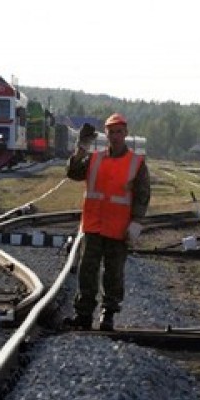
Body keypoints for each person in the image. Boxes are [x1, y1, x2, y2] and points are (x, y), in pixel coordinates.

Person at [64, 113, 151, 331]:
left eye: (119, 132)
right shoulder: (94, 158)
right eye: (111, 132)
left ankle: (108, 314)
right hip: (93, 225)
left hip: (118, 229)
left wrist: (136, 223)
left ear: (126, 133)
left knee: (113, 274)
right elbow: (73, 173)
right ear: (106, 134)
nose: (115, 136)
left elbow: (142, 195)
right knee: (87, 271)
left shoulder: (136, 163)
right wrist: (81, 147)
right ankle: (83, 315)